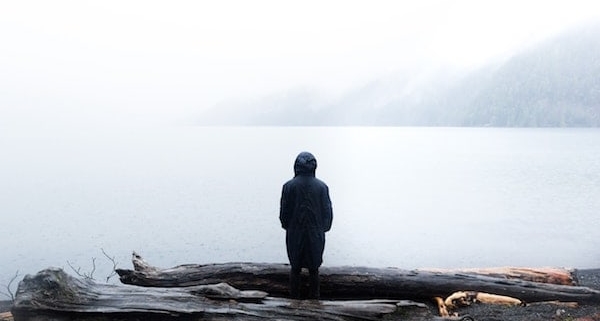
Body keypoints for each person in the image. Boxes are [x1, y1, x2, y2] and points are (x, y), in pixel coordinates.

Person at [279, 151, 333, 299]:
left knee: (295, 268)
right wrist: (324, 228)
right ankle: (315, 299)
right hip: (316, 233)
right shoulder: (322, 187)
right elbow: (327, 212)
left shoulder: (288, 186)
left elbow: (284, 212)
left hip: (295, 232)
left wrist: (287, 226)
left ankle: (294, 299)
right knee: (314, 269)